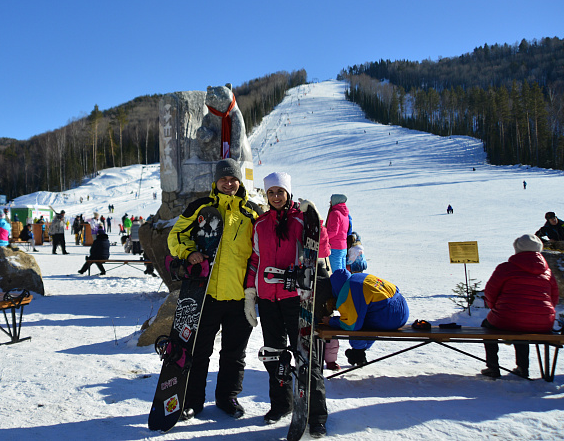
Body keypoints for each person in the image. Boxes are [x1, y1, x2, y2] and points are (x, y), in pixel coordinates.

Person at [168, 158, 261, 421]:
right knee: (199, 352)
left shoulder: (250, 213)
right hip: (205, 294)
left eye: (233, 179)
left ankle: (228, 398)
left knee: (234, 354)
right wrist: (190, 252)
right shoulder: (201, 208)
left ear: (239, 182)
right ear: (216, 182)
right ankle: (193, 401)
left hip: (240, 296)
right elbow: (175, 236)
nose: (229, 183)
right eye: (224, 179)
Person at [243, 172, 328, 435]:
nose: (276, 196)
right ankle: (281, 405)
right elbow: (255, 260)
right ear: (266, 196)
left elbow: (321, 249)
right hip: (268, 299)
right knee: (274, 354)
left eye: (280, 192)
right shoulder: (261, 224)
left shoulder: (301, 219)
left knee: (306, 356)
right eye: (271, 193)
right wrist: (250, 293)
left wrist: (316, 220)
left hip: (296, 299)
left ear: (288, 193)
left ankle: (316, 415)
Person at [480, 234, 559, 379]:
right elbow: (554, 298)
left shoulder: (506, 268)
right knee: (523, 326)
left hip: (507, 318)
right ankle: (523, 368)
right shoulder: (547, 272)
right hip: (543, 322)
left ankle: (493, 367)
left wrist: (495, 309)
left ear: (517, 248)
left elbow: (490, 292)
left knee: (490, 326)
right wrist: (542, 315)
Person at [323, 269, 410, 366]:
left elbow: (351, 324)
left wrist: (331, 321)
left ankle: (358, 352)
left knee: (357, 321)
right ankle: (359, 351)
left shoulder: (349, 290)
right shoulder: (360, 277)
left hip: (390, 317)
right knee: (366, 316)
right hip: (402, 310)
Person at [325, 194, 350, 272]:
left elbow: (333, 231)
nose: (330, 202)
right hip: (343, 246)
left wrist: (323, 237)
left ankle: (339, 284)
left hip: (335, 246)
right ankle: (345, 284)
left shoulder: (335, 213)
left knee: (337, 273)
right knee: (343, 271)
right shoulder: (345, 214)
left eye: (331, 200)